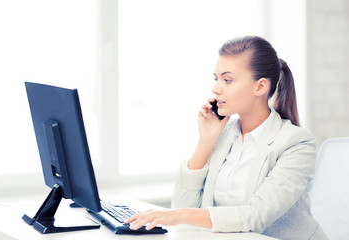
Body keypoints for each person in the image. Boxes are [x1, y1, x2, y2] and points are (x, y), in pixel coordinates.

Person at [125, 36, 328, 240]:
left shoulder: (297, 144)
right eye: (216, 79)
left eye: (227, 80)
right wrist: (205, 142)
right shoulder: (223, 135)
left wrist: (174, 216)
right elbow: (183, 206)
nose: (216, 89)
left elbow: (254, 216)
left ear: (260, 87)